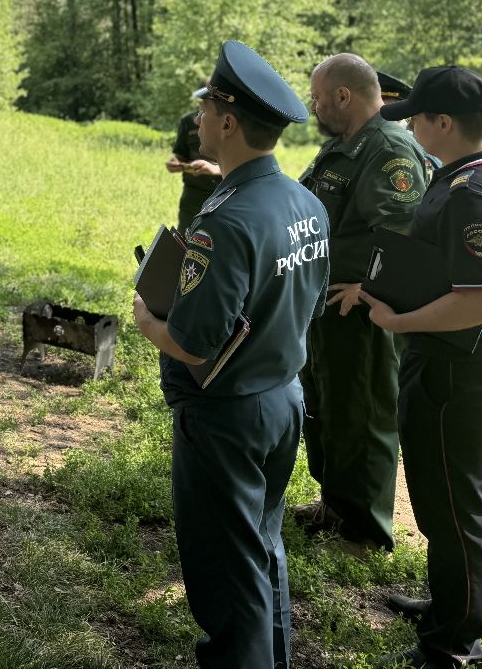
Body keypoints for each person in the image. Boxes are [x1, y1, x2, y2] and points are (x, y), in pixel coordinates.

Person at [133, 40, 329, 669]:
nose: (197, 119)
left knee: (226, 571)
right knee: (263, 547)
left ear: (227, 122)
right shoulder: (306, 202)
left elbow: (193, 341)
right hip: (283, 399)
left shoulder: (226, 219)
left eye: (206, 108)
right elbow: (309, 303)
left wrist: (146, 318)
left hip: (226, 415)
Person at [357, 67, 482, 668]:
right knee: (464, 490)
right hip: (463, 362)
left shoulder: (472, 193)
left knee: (452, 502)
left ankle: (453, 642)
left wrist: (399, 322)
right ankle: (462, 601)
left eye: (417, 118)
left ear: (443, 122)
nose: (411, 127)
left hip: (459, 371)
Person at [293, 54, 432, 553]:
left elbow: (402, 234)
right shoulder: (343, 146)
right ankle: (336, 505)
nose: (313, 106)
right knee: (329, 408)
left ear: (343, 95)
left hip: (361, 311)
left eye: (317, 97)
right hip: (326, 303)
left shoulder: (389, 148)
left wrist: (368, 288)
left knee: (364, 414)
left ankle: (365, 533)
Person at [166, 83, 224, 231]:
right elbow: (180, 155)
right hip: (192, 195)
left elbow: (243, 165)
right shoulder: (188, 121)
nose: (198, 121)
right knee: (185, 238)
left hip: (220, 195)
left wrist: (214, 169)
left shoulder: (229, 123)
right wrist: (176, 164)